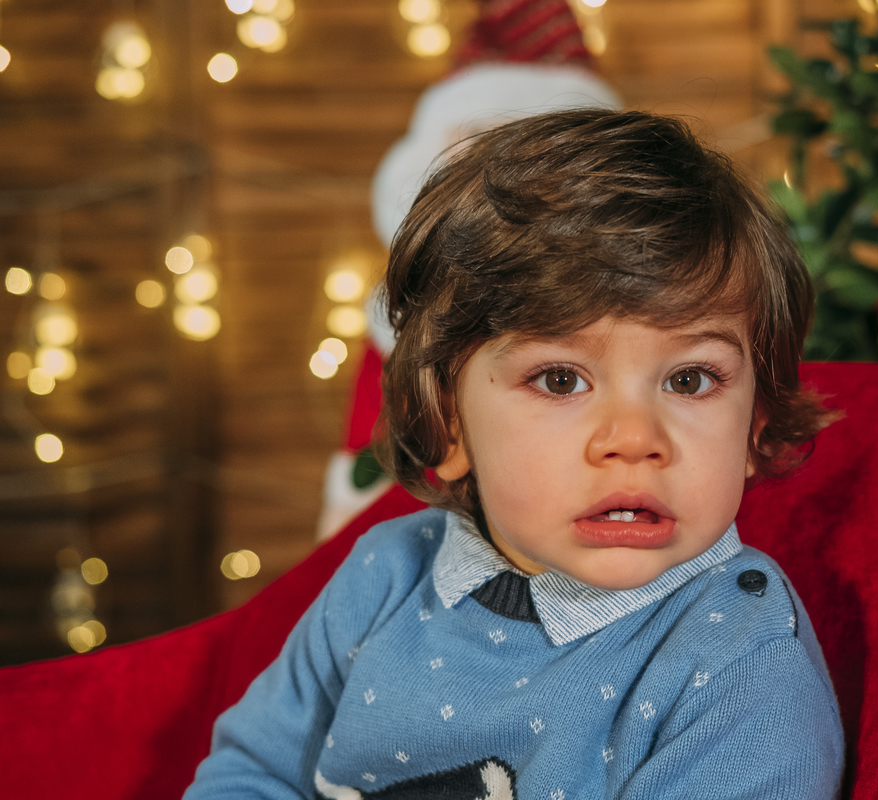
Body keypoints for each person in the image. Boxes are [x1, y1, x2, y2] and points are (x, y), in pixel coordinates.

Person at [184, 109, 844, 800]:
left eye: (689, 381)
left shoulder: (739, 662)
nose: (634, 438)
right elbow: (251, 774)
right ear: (449, 425)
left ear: (755, 427)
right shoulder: (386, 573)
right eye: (560, 380)